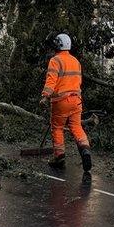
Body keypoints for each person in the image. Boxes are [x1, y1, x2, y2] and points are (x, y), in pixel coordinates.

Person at [39, 33, 92, 172]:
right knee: (76, 126)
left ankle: (59, 157)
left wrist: (45, 96)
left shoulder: (55, 60)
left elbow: (51, 81)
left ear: (57, 45)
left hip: (61, 101)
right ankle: (85, 150)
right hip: (76, 100)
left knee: (57, 127)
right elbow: (78, 81)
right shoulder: (76, 61)